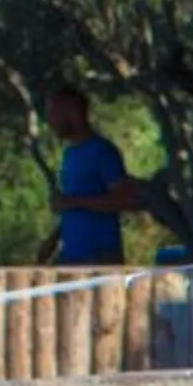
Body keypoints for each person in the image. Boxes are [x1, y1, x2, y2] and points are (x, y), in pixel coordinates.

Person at [46, 87, 139, 264]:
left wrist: (73, 201)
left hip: (99, 257)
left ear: (73, 111)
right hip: (71, 256)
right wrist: (54, 238)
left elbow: (126, 200)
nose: (50, 121)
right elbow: (74, 207)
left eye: (54, 112)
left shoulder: (102, 151)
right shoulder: (69, 154)